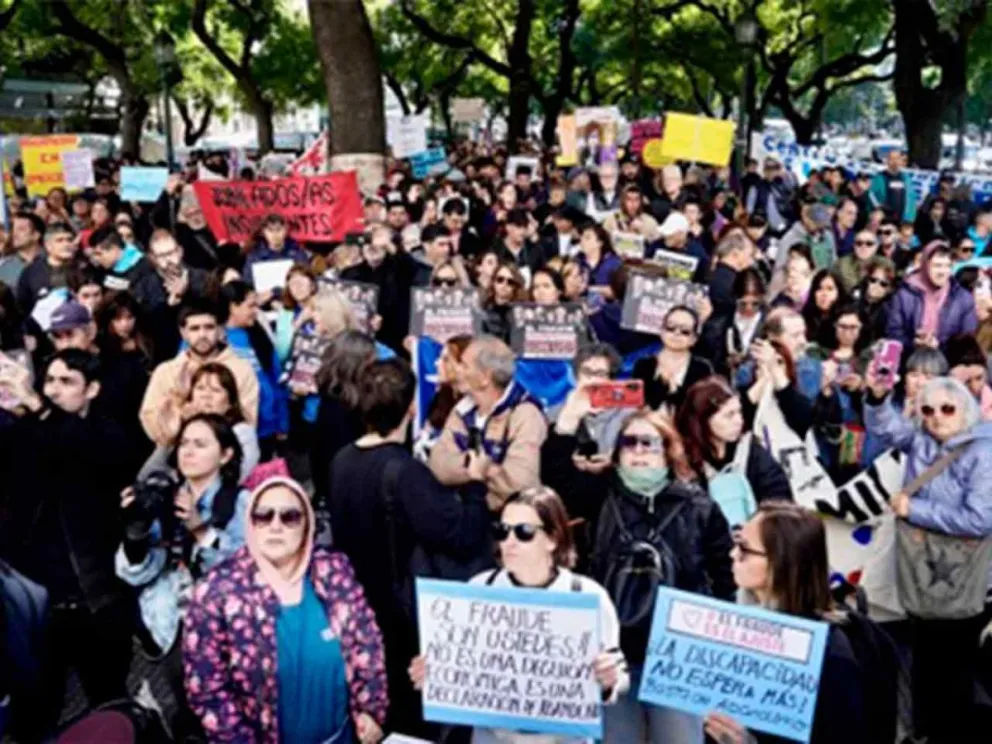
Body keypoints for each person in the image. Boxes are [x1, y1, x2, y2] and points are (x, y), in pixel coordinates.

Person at [543, 409, 733, 743]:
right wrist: (570, 414)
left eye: (650, 442)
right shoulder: (599, 494)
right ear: (617, 453)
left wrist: (711, 646)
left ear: (669, 450)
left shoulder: (699, 505)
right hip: (613, 652)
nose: (640, 451)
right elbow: (555, 474)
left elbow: (725, 577)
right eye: (629, 443)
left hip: (677, 658)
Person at [329, 358, 491, 737]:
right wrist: (475, 484)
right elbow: (460, 534)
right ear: (410, 407)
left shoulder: (342, 460)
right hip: (403, 618)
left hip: (359, 608)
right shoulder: (404, 472)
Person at [408, 486, 630, 744]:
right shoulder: (479, 589)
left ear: (553, 539)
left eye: (524, 532)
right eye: (502, 531)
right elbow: (456, 668)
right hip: (492, 736)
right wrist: (434, 675)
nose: (509, 542)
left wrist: (609, 678)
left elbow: (618, 678)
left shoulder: (588, 596)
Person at [183, 477, 388, 743]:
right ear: (250, 524)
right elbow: (207, 688)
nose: (275, 526)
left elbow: (366, 642)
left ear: (307, 526)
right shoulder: (216, 592)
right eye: (263, 516)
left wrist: (370, 710)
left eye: (289, 517)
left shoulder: (334, 571)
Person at [0, 350, 139, 735]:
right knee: (33, 717)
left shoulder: (110, 433)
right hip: (37, 604)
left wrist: (37, 404)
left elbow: (88, 451)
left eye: (67, 382)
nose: (54, 390)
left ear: (92, 389)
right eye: (49, 381)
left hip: (97, 600)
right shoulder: (23, 433)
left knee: (108, 707)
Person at [864, 373, 992, 743]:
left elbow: (980, 519)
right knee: (924, 659)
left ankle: (948, 731)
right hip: (921, 568)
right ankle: (924, 730)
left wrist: (914, 509)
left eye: (948, 409)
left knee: (953, 667)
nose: (937, 417)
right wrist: (876, 397)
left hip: (965, 574)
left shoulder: (983, 452)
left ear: (965, 410)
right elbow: (888, 429)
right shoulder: (921, 440)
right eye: (929, 410)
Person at [704, 501, 886, 744]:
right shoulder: (739, 625)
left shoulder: (830, 652)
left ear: (780, 562)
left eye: (744, 549)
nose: (732, 554)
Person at [430, 335, 548, 511]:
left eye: (464, 365)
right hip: (462, 517)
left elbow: (521, 484)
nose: (458, 370)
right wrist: (479, 467)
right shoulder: (462, 410)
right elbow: (437, 467)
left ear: (485, 377)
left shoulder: (524, 413)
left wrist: (483, 470)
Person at [140, 299, 260, 448]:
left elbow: (247, 421)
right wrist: (179, 409)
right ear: (183, 332)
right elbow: (150, 420)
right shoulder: (166, 371)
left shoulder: (241, 369)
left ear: (221, 330)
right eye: (194, 328)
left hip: (226, 456)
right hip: (172, 455)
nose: (202, 334)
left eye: (209, 327)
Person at [677, 376, 793, 509]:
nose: (739, 421)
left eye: (739, 412)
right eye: (729, 415)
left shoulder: (750, 450)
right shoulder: (685, 459)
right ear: (703, 420)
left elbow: (778, 495)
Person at [220, 280, 289, 457]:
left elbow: (277, 379)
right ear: (233, 307)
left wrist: (282, 422)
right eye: (250, 306)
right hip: (231, 429)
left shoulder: (259, 336)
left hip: (266, 426)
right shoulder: (215, 338)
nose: (255, 311)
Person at [886, 240, 978, 354]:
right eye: (937, 265)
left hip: (947, 364)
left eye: (947, 266)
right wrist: (914, 343)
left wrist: (939, 345)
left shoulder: (963, 298)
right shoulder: (904, 294)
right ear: (925, 266)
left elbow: (966, 340)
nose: (942, 272)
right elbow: (893, 332)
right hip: (910, 362)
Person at [136, 230, 214, 363]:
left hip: (206, 350)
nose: (168, 260)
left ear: (180, 251)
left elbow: (212, 309)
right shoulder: (144, 287)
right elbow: (148, 327)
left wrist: (186, 293)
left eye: (171, 253)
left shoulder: (203, 278)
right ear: (153, 258)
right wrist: (170, 306)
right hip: (168, 356)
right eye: (161, 256)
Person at [633, 305, 714, 414]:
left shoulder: (702, 369)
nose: (676, 333)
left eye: (685, 331)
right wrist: (661, 384)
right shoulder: (643, 365)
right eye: (671, 327)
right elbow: (637, 408)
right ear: (661, 331)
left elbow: (703, 409)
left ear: (693, 339)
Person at [413, 334, 472, 462]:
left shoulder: (474, 409)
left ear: (463, 366)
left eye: (445, 359)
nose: (436, 363)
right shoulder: (439, 399)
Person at [17, 221, 79, 313]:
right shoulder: (31, 273)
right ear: (48, 245)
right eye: (59, 240)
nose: (66, 244)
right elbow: (22, 307)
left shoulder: (84, 269)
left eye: (69, 240)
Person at [243, 215, 311, 298]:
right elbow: (248, 282)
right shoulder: (254, 255)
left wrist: (275, 292)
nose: (275, 234)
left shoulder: (297, 252)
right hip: (263, 302)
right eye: (270, 230)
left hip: (292, 299)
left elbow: (307, 280)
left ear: (285, 230)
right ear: (263, 232)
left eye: (278, 229)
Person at [88, 224, 155, 294]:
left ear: (114, 248)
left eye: (99, 254)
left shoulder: (145, 266)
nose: (97, 259)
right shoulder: (107, 273)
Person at [480, 261, 528, 342]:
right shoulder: (482, 309)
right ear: (493, 282)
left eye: (510, 282)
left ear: (515, 286)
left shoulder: (521, 312)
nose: (504, 284)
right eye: (500, 279)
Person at [801, 269, 848, 348]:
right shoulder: (804, 319)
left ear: (839, 292)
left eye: (830, 289)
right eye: (819, 288)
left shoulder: (846, 321)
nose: (824, 294)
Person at [855, 256, 895, 346]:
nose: (876, 285)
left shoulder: (889, 311)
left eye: (883, 284)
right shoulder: (854, 297)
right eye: (873, 280)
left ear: (889, 288)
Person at [870, 148, 917, 224]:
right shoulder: (879, 177)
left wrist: (910, 219)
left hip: (903, 221)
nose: (895, 161)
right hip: (884, 220)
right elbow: (872, 196)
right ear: (887, 161)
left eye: (897, 158)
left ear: (901, 161)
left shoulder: (906, 179)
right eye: (892, 158)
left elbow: (911, 199)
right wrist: (879, 210)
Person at [0, 212, 44, 290]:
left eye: (21, 229)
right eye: (13, 229)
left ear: (36, 235)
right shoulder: (4, 268)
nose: (14, 233)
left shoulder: (54, 260)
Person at [834, 229, 879, 294]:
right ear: (854, 246)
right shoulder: (841, 265)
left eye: (869, 243)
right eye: (859, 243)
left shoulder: (885, 266)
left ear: (876, 247)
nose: (864, 247)